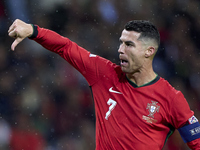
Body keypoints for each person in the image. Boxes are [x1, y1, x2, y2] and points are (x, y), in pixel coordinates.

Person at [8, 19, 200, 150]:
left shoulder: (171, 98)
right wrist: (33, 30)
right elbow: (66, 47)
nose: (120, 50)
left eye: (129, 45)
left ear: (149, 51)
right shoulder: (104, 74)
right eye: (121, 43)